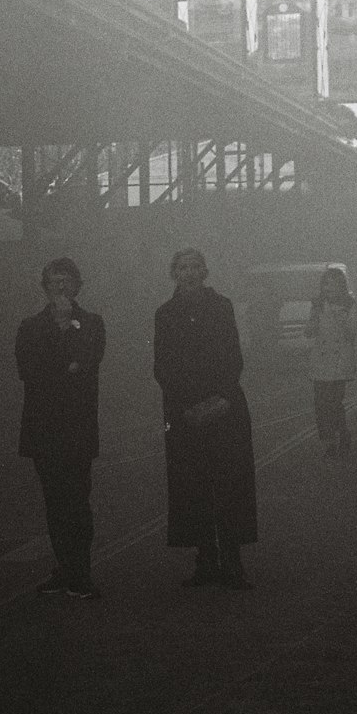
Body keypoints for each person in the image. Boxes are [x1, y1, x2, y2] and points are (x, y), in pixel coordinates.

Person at [153, 248, 257, 590]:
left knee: (229, 485)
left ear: (205, 270)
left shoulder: (222, 306)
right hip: (184, 412)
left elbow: (233, 355)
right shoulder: (165, 314)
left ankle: (232, 560)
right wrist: (186, 405)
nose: (189, 273)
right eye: (182, 267)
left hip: (225, 408)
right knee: (193, 487)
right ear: (174, 273)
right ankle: (205, 559)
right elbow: (163, 364)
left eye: (195, 266)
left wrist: (220, 397)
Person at [16, 257, 106, 600]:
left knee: (78, 501)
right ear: (45, 286)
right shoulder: (30, 326)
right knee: (55, 502)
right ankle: (64, 567)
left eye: (67, 281)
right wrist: (64, 359)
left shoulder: (92, 323)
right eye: (54, 281)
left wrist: (68, 330)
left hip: (77, 427)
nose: (61, 287)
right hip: (44, 428)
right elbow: (29, 370)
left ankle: (79, 570)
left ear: (77, 285)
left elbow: (85, 363)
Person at [305, 266, 357, 458]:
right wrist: (313, 320)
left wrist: (340, 316)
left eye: (333, 285)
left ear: (341, 287)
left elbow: (352, 333)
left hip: (340, 360)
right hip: (320, 359)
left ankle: (342, 433)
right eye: (326, 285)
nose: (328, 289)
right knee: (320, 403)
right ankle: (328, 441)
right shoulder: (317, 305)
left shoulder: (350, 305)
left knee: (334, 402)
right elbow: (309, 332)